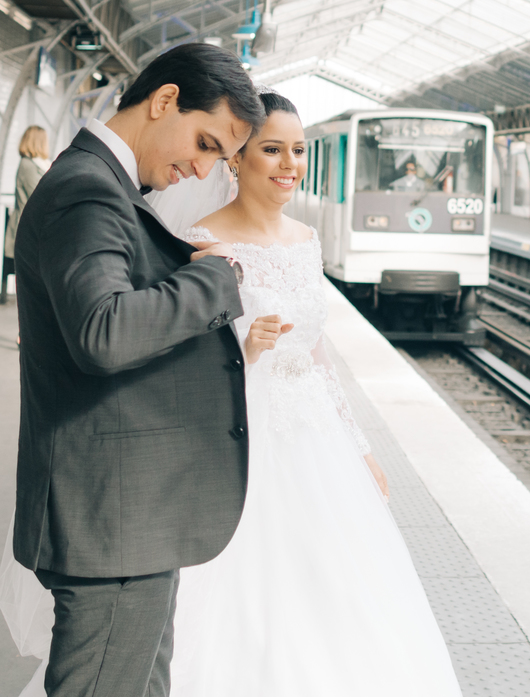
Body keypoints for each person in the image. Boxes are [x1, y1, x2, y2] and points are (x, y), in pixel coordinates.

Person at [6, 93, 463, 697]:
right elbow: (150, 340)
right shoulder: (196, 240)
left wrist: (359, 443)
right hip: (235, 435)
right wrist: (247, 349)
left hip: (314, 439)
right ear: (236, 162)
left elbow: (318, 352)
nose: (288, 164)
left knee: (336, 595)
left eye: (297, 151)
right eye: (271, 150)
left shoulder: (304, 239)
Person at [4, 42, 263, 697]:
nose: (202, 168)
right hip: (112, 519)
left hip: (127, 517)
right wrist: (212, 278)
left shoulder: (102, 185)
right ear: (165, 99)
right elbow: (103, 330)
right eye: (205, 143)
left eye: (220, 158)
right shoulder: (87, 191)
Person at [2, 126, 51, 305]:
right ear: (38, 142)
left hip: (33, 227)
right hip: (28, 229)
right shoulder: (28, 165)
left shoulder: (38, 164)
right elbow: (40, 195)